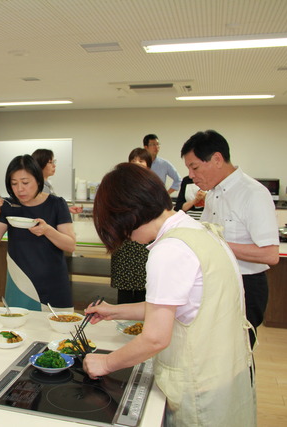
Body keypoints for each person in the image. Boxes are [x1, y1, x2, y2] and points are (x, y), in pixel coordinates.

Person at [84, 163, 255, 426]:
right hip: (225, 371)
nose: (127, 240)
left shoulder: (168, 250)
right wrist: (114, 310)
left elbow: (154, 338)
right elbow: (180, 304)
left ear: (127, 215)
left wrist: (105, 364)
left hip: (199, 386)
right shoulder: (196, 230)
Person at [181, 130, 279, 347]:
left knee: (238, 355)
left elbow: (270, 254)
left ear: (217, 159)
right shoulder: (214, 193)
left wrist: (215, 243)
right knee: (217, 352)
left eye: (194, 167)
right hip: (218, 281)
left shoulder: (253, 193)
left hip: (245, 285)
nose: (190, 175)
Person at [0, 154, 76, 311]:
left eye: (25, 183)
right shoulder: (9, 205)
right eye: (14, 184)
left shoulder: (56, 204)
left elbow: (70, 245)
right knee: (19, 331)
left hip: (53, 282)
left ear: (38, 180)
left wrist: (47, 230)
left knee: (56, 331)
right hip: (20, 282)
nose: (20, 189)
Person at [109, 148, 153, 304]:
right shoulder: (120, 186)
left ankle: (142, 326)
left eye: (141, 160)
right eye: (133, 160)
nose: (137, 163)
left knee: (145, 288)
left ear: (148, 165)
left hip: (145, 243)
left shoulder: (153, 187)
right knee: (125, 291)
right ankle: (122, 324)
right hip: (125, 242)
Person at [31, 148, 83, 214]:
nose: (54, 165)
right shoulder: (40, 187)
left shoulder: (46, 185)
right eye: (50, 162)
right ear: (40, 164)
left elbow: (53, 205)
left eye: (54, 162)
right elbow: (47, 210)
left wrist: (68, 208)